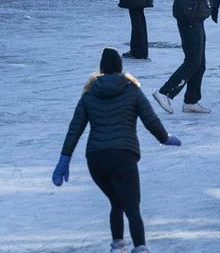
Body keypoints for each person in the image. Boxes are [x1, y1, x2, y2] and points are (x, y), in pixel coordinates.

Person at [52, 48, 181, 253]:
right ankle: (140, 247)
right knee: (131, 206)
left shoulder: (90, 92)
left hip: (96, 159)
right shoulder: (131, 89)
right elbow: (150, 120)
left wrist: (64, 159)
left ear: (101, 69)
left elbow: (74, 129)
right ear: (120, 67)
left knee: (116, 202)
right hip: (123, 156)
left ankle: (118, 245)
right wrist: (165, 138)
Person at [151, 0, 220, 115]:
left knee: (200, 62)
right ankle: (165, 92)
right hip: (189, 18)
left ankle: (191, 101)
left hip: (195, 16)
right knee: (193, 61)